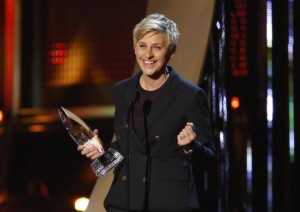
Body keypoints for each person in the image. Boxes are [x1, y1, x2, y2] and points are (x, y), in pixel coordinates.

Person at [78, 13, 217, 212]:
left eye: (157, 47)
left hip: (168, 202)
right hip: (124, 202)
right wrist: (101, 152)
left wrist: (190, 146)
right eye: (142, 46)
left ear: (171, 51)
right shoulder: (122, 91)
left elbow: (210, 159)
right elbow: (127, 148)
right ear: (135, 49)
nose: (148, 55)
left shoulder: (190, 96)